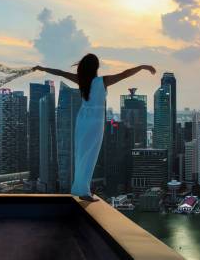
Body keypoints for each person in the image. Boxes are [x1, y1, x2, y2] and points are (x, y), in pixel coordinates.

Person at [32, 54, 156, 201]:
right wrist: (143, 67)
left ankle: (79, 189)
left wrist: (41, 68)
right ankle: (83, 191)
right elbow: (125, 74)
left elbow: (60, 72)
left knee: (81, 154)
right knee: (90, 156)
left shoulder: (82, 80)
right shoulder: (102, 81)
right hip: (95, 121)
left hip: (82, 119)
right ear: (96, 67)